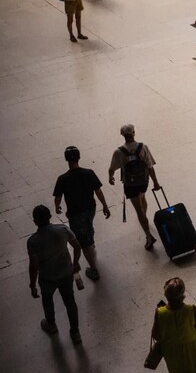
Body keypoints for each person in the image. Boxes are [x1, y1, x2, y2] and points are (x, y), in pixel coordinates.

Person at [27, 205, 83, 345]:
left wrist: (32, 284)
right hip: (65, 273)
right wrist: (75, 263)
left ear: (35, 221)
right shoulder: (62, 229)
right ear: (50, 216)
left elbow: (34, 266)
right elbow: (77, 246)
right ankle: (75, 332)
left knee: (47, 300)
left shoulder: (33, 241)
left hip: (47, 277)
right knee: (70, 302)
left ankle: (51, 324)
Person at [54, 146, 110, 282]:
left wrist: (57, 207)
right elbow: (98, 190)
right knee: (88, 226)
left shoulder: (63, 178)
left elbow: (58, 197)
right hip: (90, 209)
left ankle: (93, 269)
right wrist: (105, 205)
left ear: (66, 159)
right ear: (79, 157)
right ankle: (91, 243)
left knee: (82, 242)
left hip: (75, 214)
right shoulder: (89, 173)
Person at [108, 124, 160, 250]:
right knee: (142, 198)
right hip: (143, 182)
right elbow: (150, 166)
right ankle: (144, 218)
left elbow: (112, 169)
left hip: (130, 185)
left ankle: (148, 235)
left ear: (122, 135)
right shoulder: (143, 147)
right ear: (134, 133)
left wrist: (111, 177)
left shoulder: (119, 152)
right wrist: (155, 182)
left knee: (138, 209)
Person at [151, 277, 196, 373]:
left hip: (172, 354)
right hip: (193, 351)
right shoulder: (190, 310)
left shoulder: (160, 313)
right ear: (182, 294)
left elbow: (155, 335)